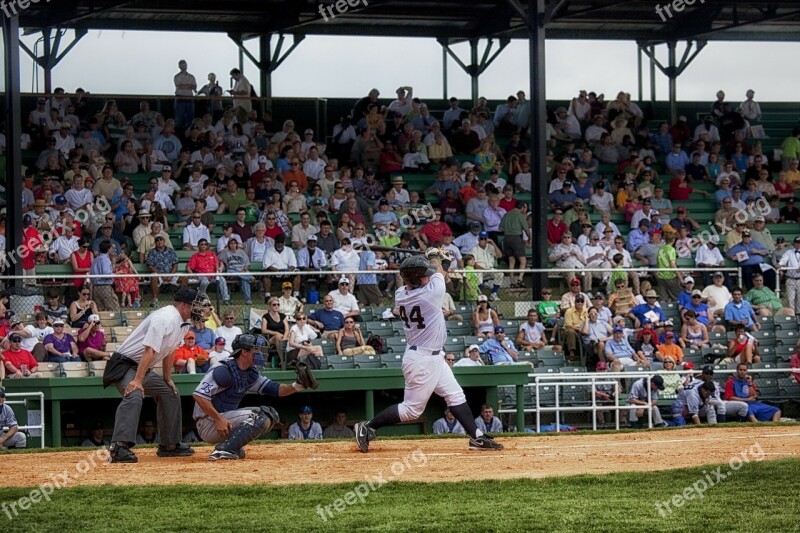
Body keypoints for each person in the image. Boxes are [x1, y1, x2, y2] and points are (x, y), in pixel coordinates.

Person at [355, 255, 503, 452]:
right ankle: (367, 427)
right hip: (422, 359)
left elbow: (438, 272)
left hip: (431, 356)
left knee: (455, 395)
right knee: (411, 410)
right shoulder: (430, 293)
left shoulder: (401, 293)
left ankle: (476, 437)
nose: (427, 277)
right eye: (423, 275)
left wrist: (438, 260)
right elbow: (440, 272)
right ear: (415, 279)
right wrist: (437, 257)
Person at [103, 287, 203, 463]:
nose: (199, 309)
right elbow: (149, 350)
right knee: (134, 394)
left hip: (140, 367)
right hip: (123, 365)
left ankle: (169, 445)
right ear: (183, 305)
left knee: (169, 393)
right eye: (196, 305)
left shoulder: (183, 322)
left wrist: (167, 378)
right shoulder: (164, 317)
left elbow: (170, 350)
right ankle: (118, 447)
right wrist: (137, 381)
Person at [192, 333, 315, 460]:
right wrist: (218, 419)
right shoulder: (223, 369)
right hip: (208, 422)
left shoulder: (249, 373)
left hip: (223, 419)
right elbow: (199, 396)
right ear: (244, 351)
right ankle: (224, 450)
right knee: (261, 416)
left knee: (269, 414)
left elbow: (276, 389)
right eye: (256, 350)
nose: (260, 354)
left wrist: (297, 386)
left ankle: (230, 447)